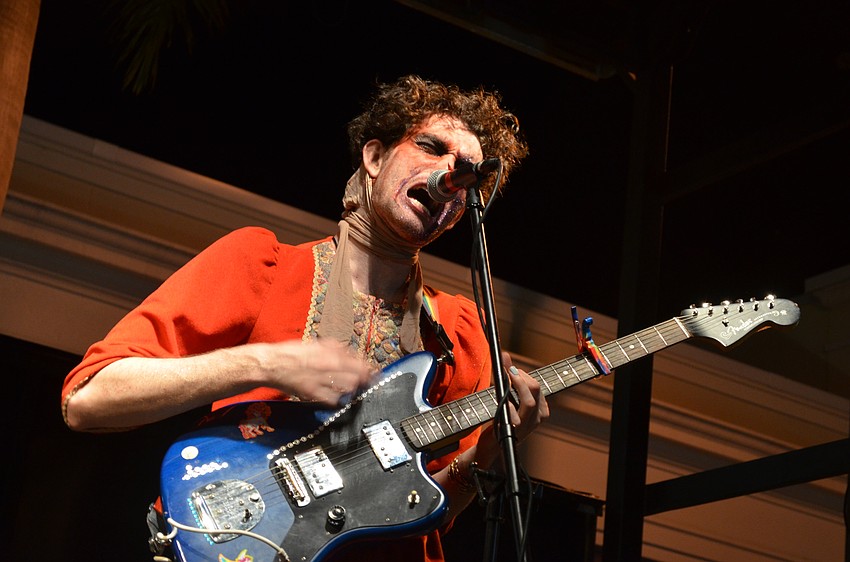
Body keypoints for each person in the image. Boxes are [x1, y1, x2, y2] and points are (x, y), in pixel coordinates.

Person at [61, 74, 549, 562]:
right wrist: (263, 364)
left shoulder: (458, 334)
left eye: (469, 171)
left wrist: (485, 454)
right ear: (375, 158)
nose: (452, 172)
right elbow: (90, 400)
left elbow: (428, 508)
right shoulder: (261, 266)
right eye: (431, 147)